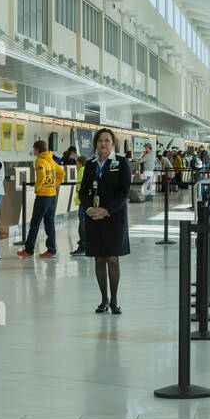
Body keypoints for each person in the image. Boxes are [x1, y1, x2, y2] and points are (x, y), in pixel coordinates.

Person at [80, 128, 131, 314]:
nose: (103, 143)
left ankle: (115, 300)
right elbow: (83, 191)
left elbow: (124, 190)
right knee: (99, 259)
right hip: (94, 217)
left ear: (113, 143)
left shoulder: (121, 162)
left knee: (112, 258)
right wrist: (89, 209)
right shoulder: (91, 165)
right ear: (95, 144)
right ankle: (104, 300)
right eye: (100, 140)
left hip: (114, 217)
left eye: (107, 140)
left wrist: (107, 210)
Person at [18, 139, 65, 259]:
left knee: (35, 223)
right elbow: (61, 173)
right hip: (52, 195)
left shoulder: (39, 160)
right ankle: (51, 250)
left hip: (43, 195)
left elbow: (42, 175)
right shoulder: (51, 159)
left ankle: (29, 250)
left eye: (34, 148)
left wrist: (38, 187)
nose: (33, 150)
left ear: (37, 149)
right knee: (49, 223)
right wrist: (54, 185)